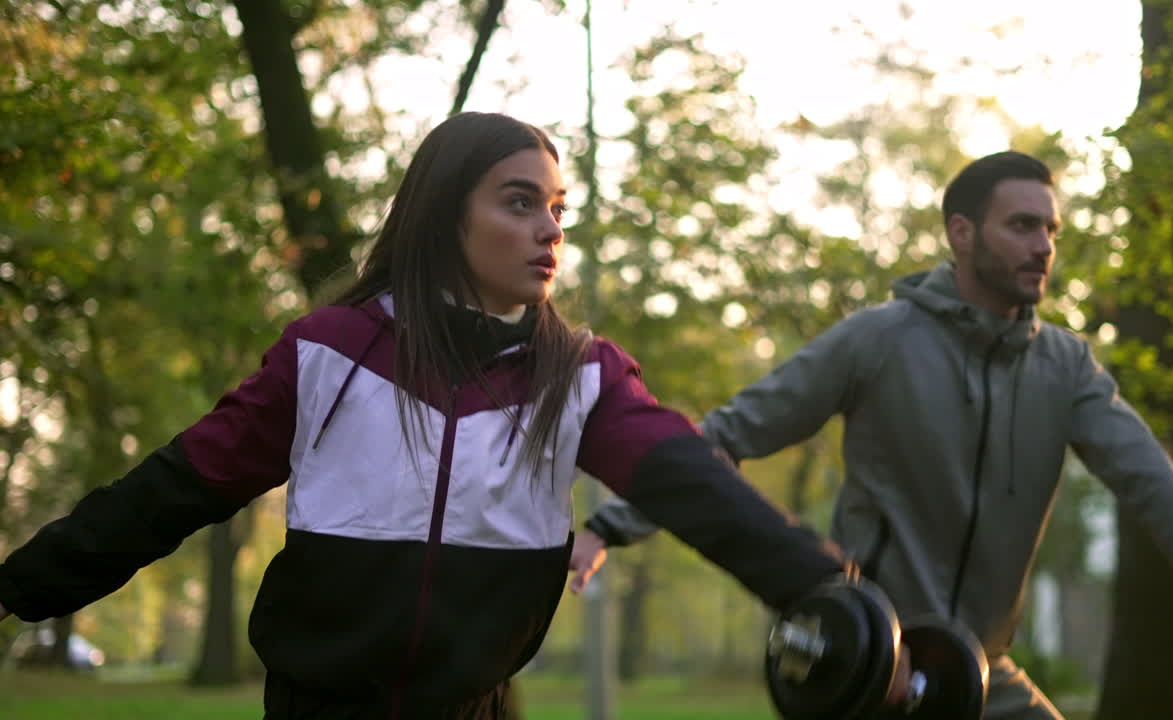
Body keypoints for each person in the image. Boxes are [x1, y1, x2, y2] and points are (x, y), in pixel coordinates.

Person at [0, 112, 851, 719]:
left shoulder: (581, 376)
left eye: (558, 209)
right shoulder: (329, 352)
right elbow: (175, 488)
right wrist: (21, 586)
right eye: (519, 203)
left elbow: (691, 482)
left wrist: (821, 594)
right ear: (446, 215)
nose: (550, 231)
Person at [570, 151, 1173, 719]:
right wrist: (612, 521)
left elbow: (1152, 484)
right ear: (961, 233)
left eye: (1051, 231)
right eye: (1022, 226)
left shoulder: (1066, 368)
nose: (1043, 247)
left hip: (986, 674)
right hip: (875, 665)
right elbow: (733, 430)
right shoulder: (878, 340)